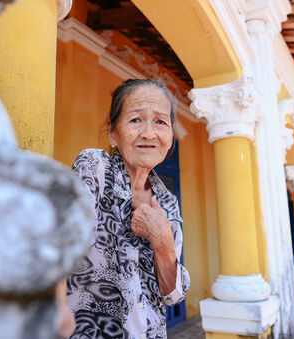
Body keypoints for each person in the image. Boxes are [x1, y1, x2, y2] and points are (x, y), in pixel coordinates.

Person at [67, 79, 190, 338]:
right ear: (113, 132)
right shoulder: (96, 168)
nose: (148, 133)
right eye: (136, 120)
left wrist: (163, 241)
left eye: (160, 122)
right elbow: (63, 249)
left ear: (170, 136)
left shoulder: (168, 203)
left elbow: (173, 295)